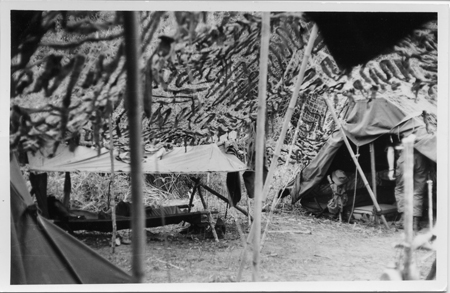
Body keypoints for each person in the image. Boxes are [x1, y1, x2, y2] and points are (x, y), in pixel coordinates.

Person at [387, 136, 429, 231]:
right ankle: (415, 223)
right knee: (418, 191)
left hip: (405, 157)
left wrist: (391, 169)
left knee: (401, 189)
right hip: (420, 157)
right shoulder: (417, 123)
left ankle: (404, 220)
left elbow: (391, 149)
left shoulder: (393, 127)